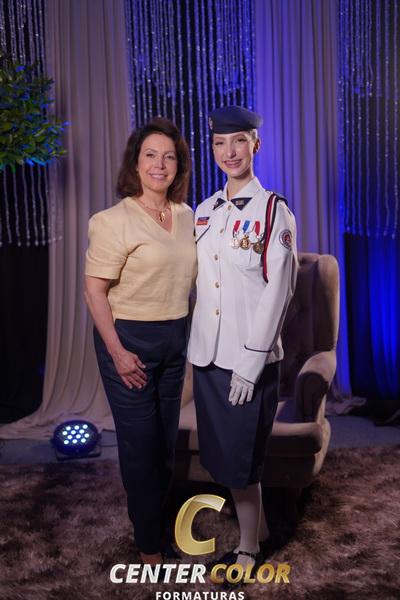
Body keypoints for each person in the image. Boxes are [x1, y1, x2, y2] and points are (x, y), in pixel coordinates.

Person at [188, 106, 298, 569]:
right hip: (208, 358)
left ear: (256, 145)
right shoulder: (204, 211)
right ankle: (262, 527)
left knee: (241, 459)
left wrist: (251, 365)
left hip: (247, 360)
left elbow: (279, 291)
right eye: (220, 143)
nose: (229, 152)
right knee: (223, 457)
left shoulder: (275, 211)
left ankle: (249, 547)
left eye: (238, 141)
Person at [84, 117, 197, 565]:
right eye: (150, 155)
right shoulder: (112, 221)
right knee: (141, 447)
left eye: (169, 157)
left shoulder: (188, 216)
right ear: (135, 163)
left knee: (165, 444)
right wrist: (117, 352)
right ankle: (150, 545)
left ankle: (158, 524)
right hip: (127, 340)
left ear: (178, 166)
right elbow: (94, 291)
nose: (159, 164)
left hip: (174, 339)